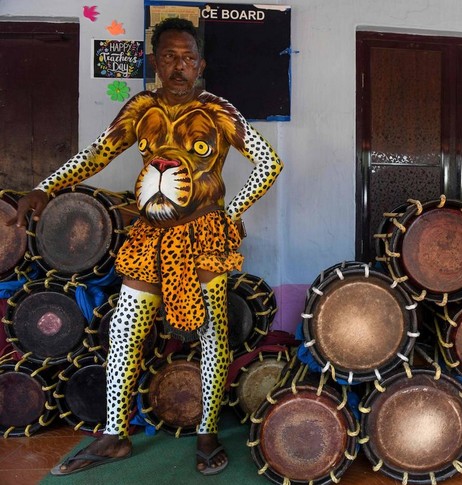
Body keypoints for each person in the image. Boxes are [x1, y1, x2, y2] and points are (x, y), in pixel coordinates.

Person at [6, 17, 283, 476]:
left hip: (204, 235)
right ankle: (115, 436)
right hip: (151, 236)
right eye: (170, 57)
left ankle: (207, 433)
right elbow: (97, 153)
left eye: (188, 58)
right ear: (155, 61)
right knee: (124, 330)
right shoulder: (141, 108)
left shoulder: (218, 110)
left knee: (213, 335)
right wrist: (45, 187)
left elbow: (268, 163)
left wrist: (229, 215)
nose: (179, 66)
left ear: (201, 64)